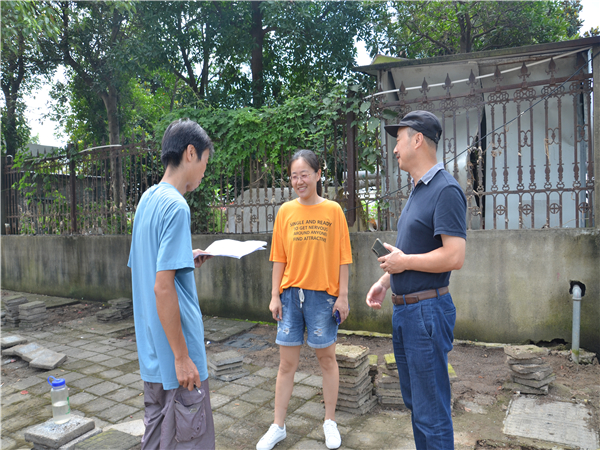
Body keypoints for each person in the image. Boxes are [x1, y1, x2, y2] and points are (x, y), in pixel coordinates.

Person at [365, 110, 467, 449]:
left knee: (431, 411)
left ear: (418, 139)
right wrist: (384, 281)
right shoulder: (418, 191)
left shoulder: (445, 190)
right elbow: (410, 252)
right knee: (417, 405)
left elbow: (455, 256)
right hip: (407, 312)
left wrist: (404, 261)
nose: (395, 149)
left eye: (399, 140)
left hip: (426, 313)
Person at [128, 118, 216, 450]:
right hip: (176, 357)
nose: (204, 171)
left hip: (151, 353)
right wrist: (182, 357)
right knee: (190, 440)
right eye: (205, 161)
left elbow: (145, 266)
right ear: (190, 153)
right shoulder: (177, 207)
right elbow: (162, 288)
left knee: (154, 439)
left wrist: (184, 259)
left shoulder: (146, 201)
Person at [256, 150, 352, 450]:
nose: (299, 181)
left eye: (305, 174)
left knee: (327, 360)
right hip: (289, 296)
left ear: (318, 175)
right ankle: (278, 426)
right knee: (286, 364)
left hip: (323, 297)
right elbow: (278, 258)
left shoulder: (333, 210)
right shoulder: (285, 212)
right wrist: (274, 295)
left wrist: (343, 297)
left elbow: (344, 257)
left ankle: (330, 421)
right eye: (294, 176)